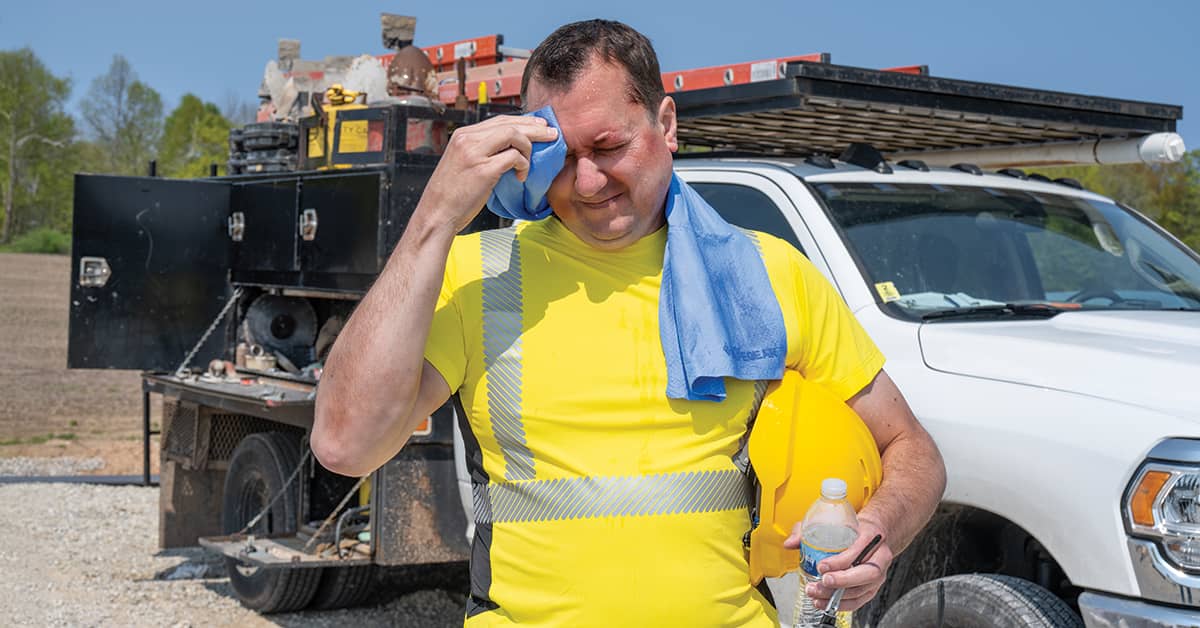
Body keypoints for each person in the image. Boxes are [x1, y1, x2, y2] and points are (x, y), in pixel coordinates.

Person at [312, 19, 945, 626]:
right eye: (560, 155)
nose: (587, 181)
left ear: (666, 124)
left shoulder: (767, 274)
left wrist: (877, 532)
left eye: (609, 147)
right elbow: (344, 445)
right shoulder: (476, 273)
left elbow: (911, 450)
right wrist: (435, 216)